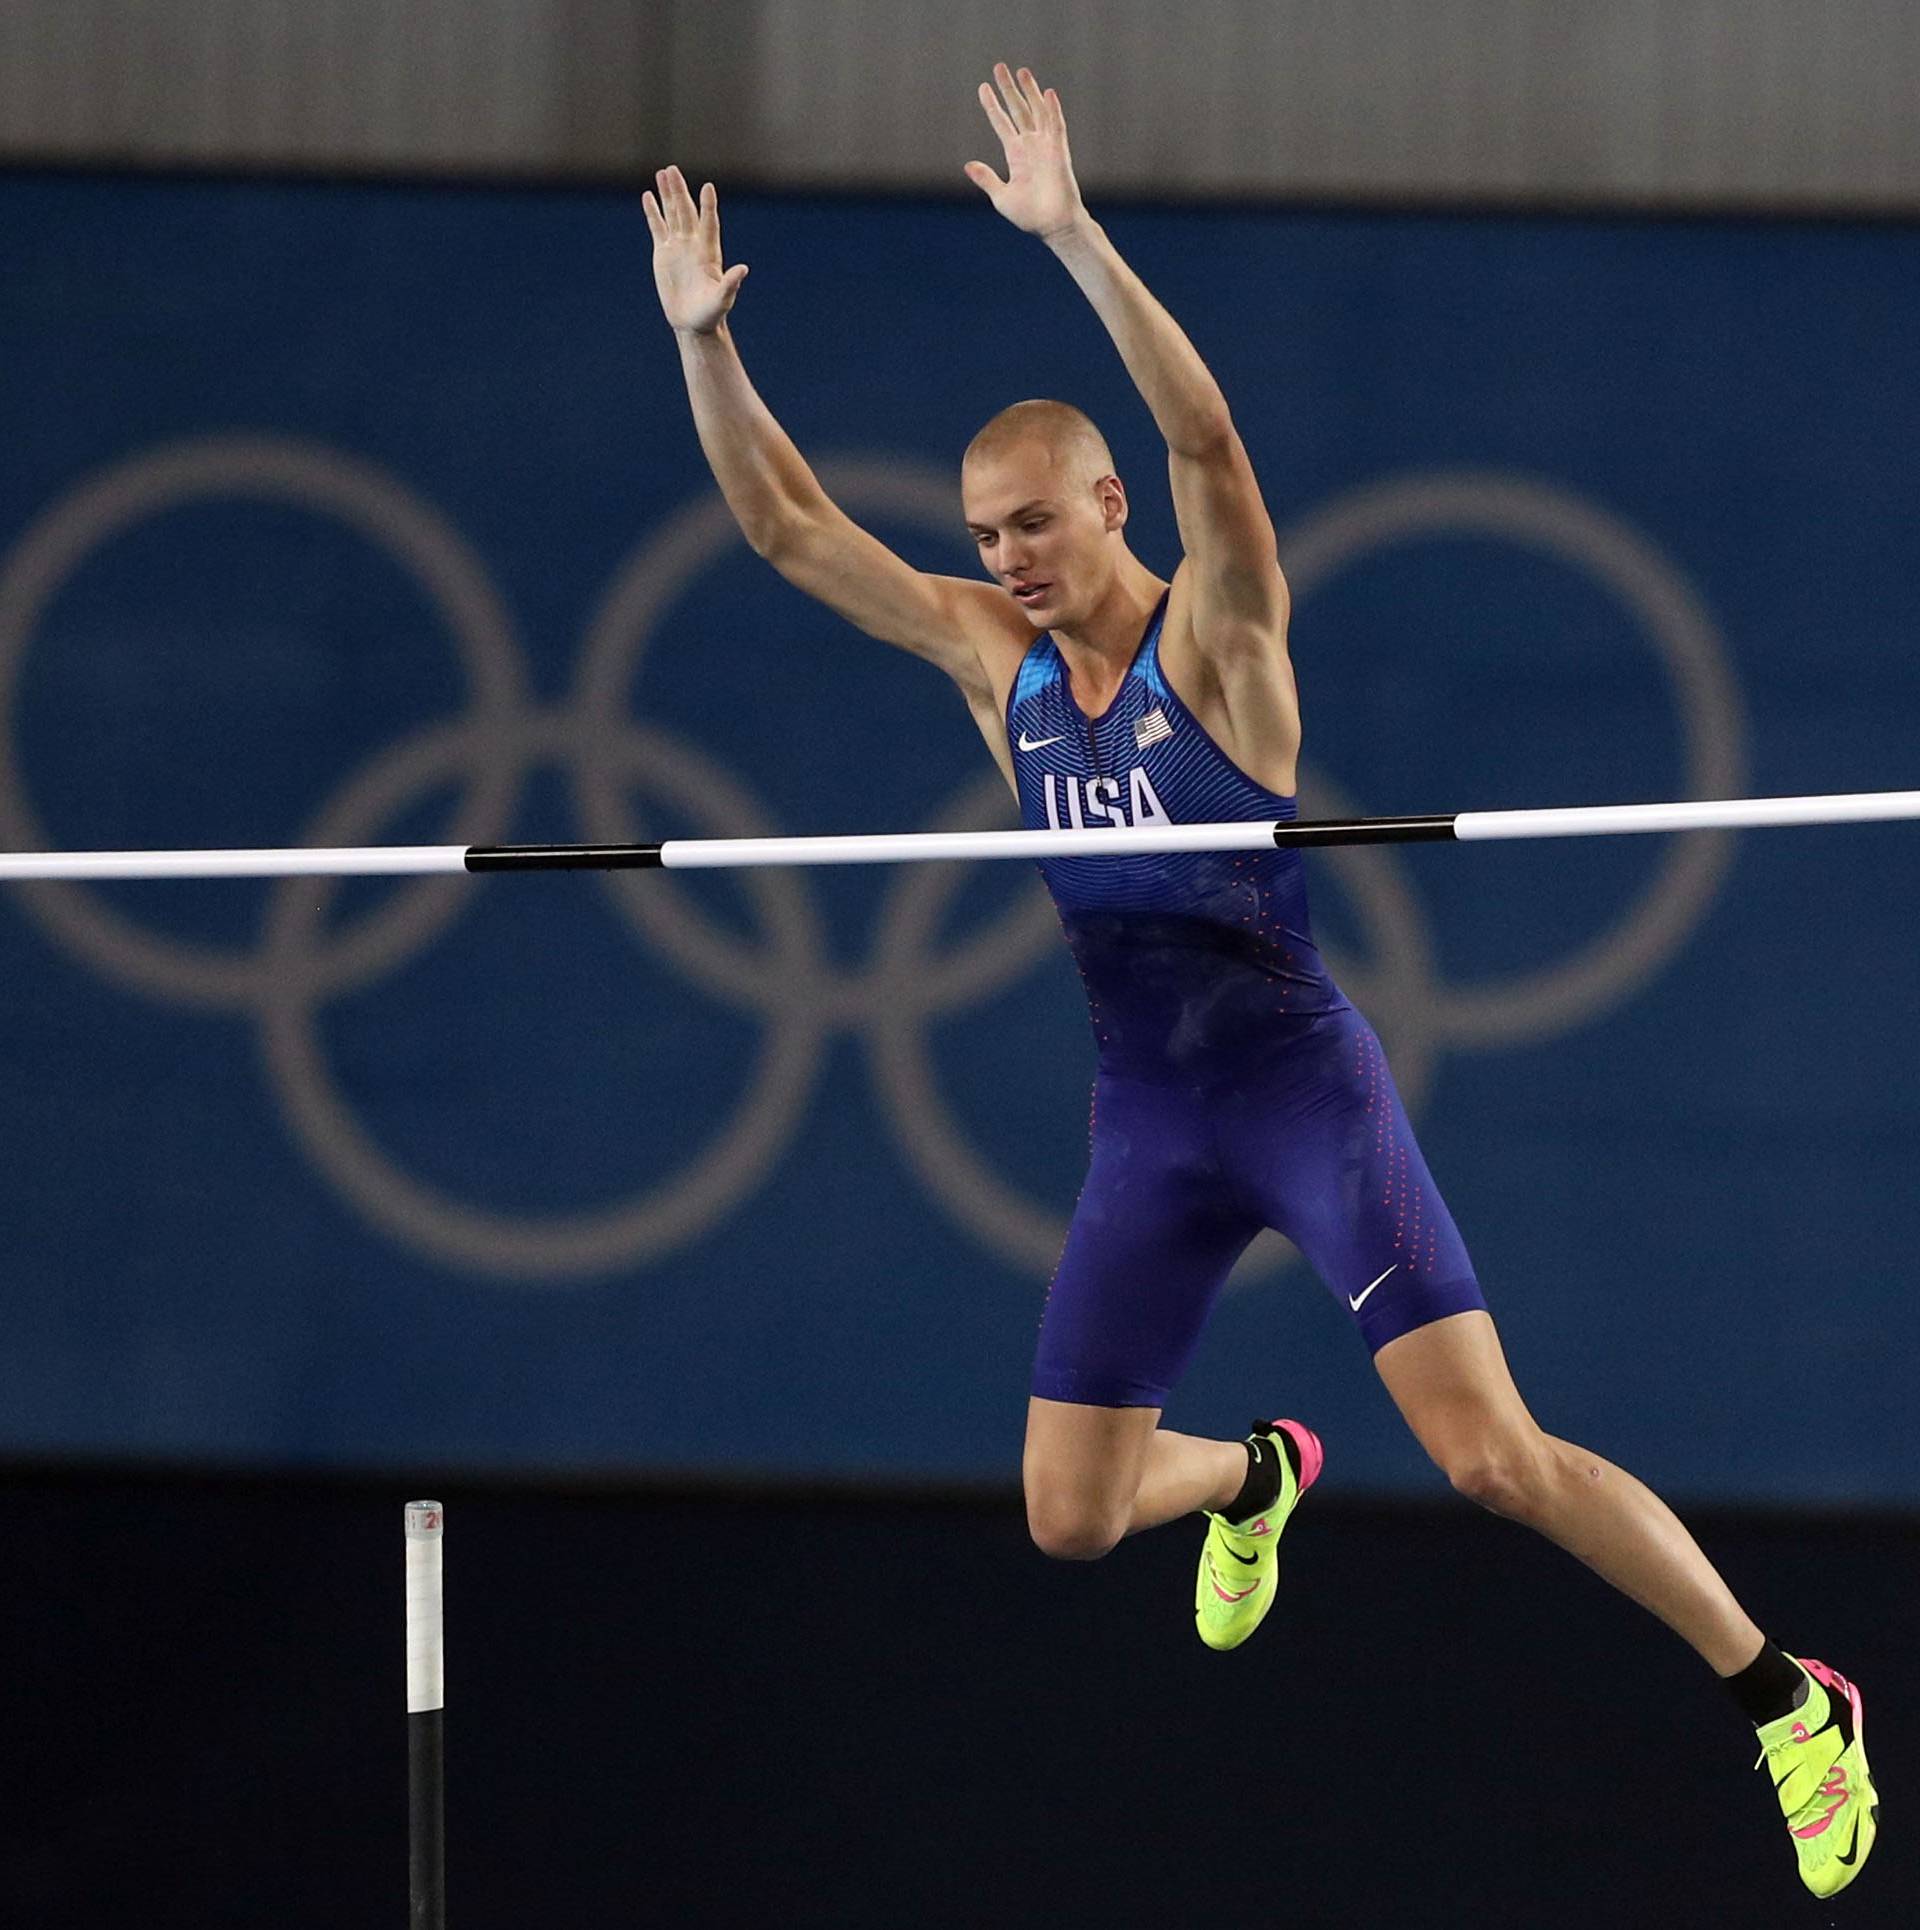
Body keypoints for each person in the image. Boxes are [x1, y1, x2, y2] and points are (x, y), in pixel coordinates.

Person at [643, 62, 1876, 1897]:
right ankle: (1254, 1478)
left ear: (1106, 501)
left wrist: (1074, 239)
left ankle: (1788, 1693)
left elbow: (1216, 446)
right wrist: (704, 350)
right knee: (1068, 1518)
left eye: (1035, 527)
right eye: (986, 538)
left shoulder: (1220, 650)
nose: (1007, 564)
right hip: (1149, 1121)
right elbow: (790, 532)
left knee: (1490, 1462)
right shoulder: (998, 669)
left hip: (1300, 1091)